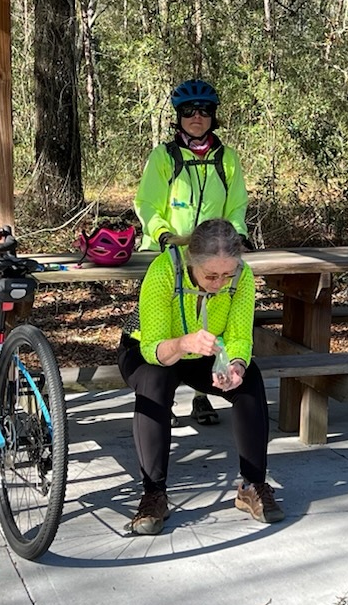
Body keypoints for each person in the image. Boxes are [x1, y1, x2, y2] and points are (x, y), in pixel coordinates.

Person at [118, 218, 283, 534]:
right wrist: (183, 343)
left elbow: (239, 336)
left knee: (250, 381)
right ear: (192, 262)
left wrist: (236, 365)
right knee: (156, 382)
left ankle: (252, 485)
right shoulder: (163, 271)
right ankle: (153, 494)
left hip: (203, 349)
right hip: (149, 349)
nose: (219, 283)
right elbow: (153, 348)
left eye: (227, 275)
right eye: (211, 275)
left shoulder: (243, 276)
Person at [134, 78, 251, 427]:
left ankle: (203, 394)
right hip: (168, 253)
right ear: (178, 116)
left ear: (214, 117)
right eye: (188, 111)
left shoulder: (226, 159)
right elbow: (146, 203)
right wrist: (163, 233)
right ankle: (162, 392)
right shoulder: (165, 157)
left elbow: (237, 205)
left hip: (214, 253)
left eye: (204, 111)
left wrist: (236, 237)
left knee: (210, 316)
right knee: (158, 320)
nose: (196, 117)